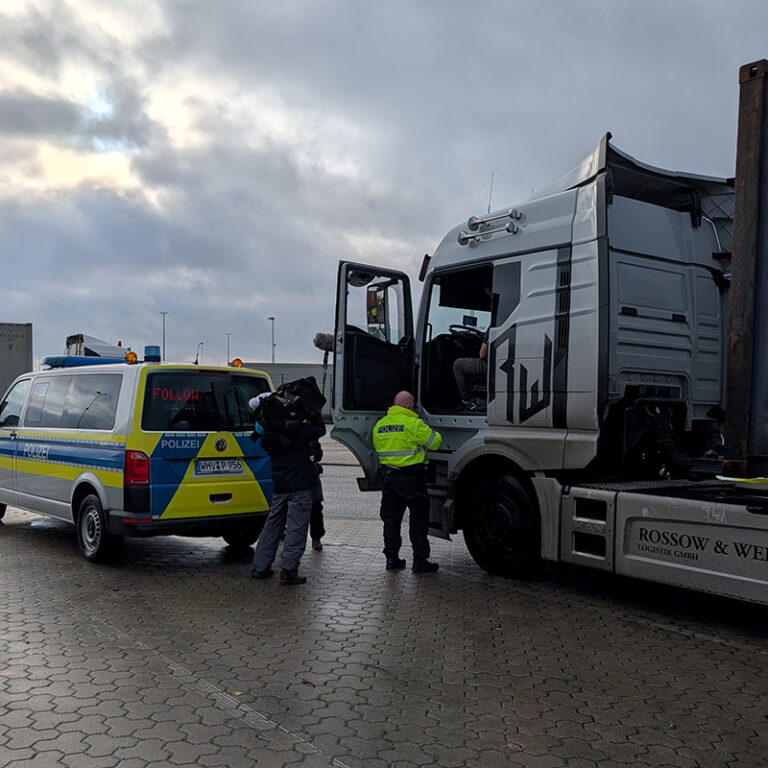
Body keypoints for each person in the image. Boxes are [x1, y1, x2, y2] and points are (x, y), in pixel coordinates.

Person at [250, 394, 326, 585]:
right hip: (300, 482)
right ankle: (289, 569)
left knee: (272, 524)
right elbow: (320, 429)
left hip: (280, 483)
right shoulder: (297, 429)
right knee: (296, 528)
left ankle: (260, 567)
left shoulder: (267, 432)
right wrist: (310, 413)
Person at [372, 391, 442, 573]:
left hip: (389, 479)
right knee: (418, 519)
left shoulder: (380, 425)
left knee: (391, 520)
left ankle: (391, 559)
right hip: (412, 479)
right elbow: (435, 442)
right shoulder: (413, 423)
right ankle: (419, 560)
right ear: (409, 406)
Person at [452, 337, 487, 411]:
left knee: (458, 365)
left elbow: (482, 354)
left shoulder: (493, 326)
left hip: (490, 364)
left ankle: (466, 399)